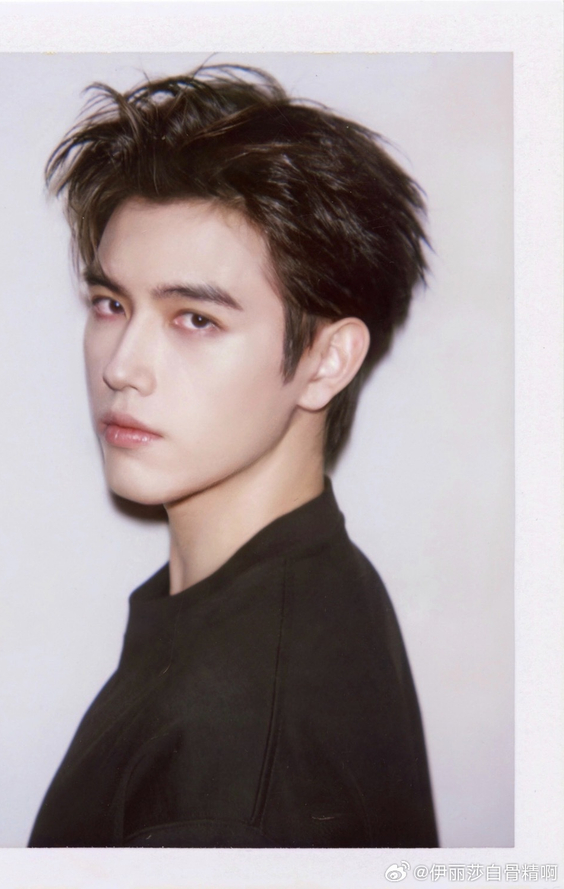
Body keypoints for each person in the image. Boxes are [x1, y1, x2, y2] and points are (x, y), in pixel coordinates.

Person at [28, 64, 438, 848]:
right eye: (112, 304)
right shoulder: (311, 580)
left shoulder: (230, 765)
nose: (122, 366)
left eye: (196, 319)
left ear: (326, 361)